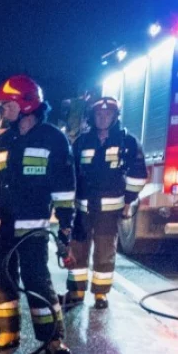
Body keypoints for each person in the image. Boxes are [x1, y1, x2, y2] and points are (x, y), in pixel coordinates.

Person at [0, 75, 75, 354]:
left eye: (8, 104)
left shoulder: (53, 139)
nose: (3, 110)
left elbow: (64, 189)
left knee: (37, 281)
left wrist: (66, 226)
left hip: (32, 228)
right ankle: (8, 334)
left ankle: (53, 341)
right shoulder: (3, 140)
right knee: (2, 281)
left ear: (26, 104)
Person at [64, 97, 147, 309]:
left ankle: (100, 294)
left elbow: (138, 174)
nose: (103, 118)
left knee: (104, 252)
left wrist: (128, 202)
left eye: (107, 114)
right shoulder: (82, 142)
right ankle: (76, 291)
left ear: (115, 116)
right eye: (99, 114)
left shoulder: (128, 142)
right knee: (78, 250)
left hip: (109, 211)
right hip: (82, 209)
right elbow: (70, 174)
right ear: (93, 117)